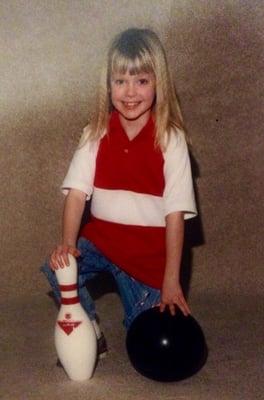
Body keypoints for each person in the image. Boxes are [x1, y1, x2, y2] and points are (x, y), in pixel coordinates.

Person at [41, 27, 197, 358]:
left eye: (141, 81)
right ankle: (90, 330)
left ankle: (141, 306)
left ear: (159, 84)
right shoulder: (95, 133)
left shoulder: (170, 139)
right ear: (108, 85)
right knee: (59, 268)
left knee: (147, 337)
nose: (130, 92)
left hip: (147, 261)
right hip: (103, 244)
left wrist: (171, 279)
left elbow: (175, 215)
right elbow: (76, 195)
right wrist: (68, 244)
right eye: (120, 81)